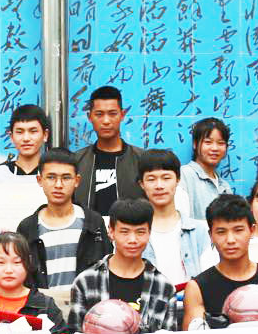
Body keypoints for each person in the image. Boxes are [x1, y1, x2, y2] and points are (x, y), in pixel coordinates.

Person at [65, 198, 181, 334]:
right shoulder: (86, 282)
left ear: (149, 233)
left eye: (140, 232)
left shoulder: (164, 287)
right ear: (111, 231)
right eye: (124, 232)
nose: (132, 240)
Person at [181, 194, 258, 327]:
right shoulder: (197, 288)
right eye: (221, 232)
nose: (230, 240)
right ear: (211, 235)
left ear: (252, 230)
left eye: (238, 230)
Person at [17, 148, 111, 290]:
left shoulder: (93, 222)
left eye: (66, 178)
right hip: (42, 303)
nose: (58, 185)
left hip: (87, 302)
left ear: (77, 181)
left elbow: (107, 269)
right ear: (40, 180)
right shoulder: (27, 227)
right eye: (51, 177)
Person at [138, 149, 213, 286]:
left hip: (190, 299)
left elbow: (209, 278)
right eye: (151, 179)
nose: (159, 186)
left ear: (178, 180)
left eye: (166, 178)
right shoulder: (133, 231)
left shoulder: (197, 231)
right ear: (142, 184)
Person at [73, 86, 143, 215]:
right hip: (87, 227)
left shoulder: (141, 159)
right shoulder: (76, 161)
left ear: (122, 115)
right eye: (99, 114)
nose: (106, 121)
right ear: (89, 117)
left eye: (112, 114)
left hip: (129, 227)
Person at [179, 117, 232, 220]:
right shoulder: (184, 175)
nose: (215, 148)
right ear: (195, 144)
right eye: (208, 142)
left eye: (220, 143)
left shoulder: (225, 186)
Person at [0, 104, 49, 177]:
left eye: (33, 131)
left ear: (45, 135)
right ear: (11, 137)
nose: (26, 138)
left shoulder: (54, 174)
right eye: (19, 132)